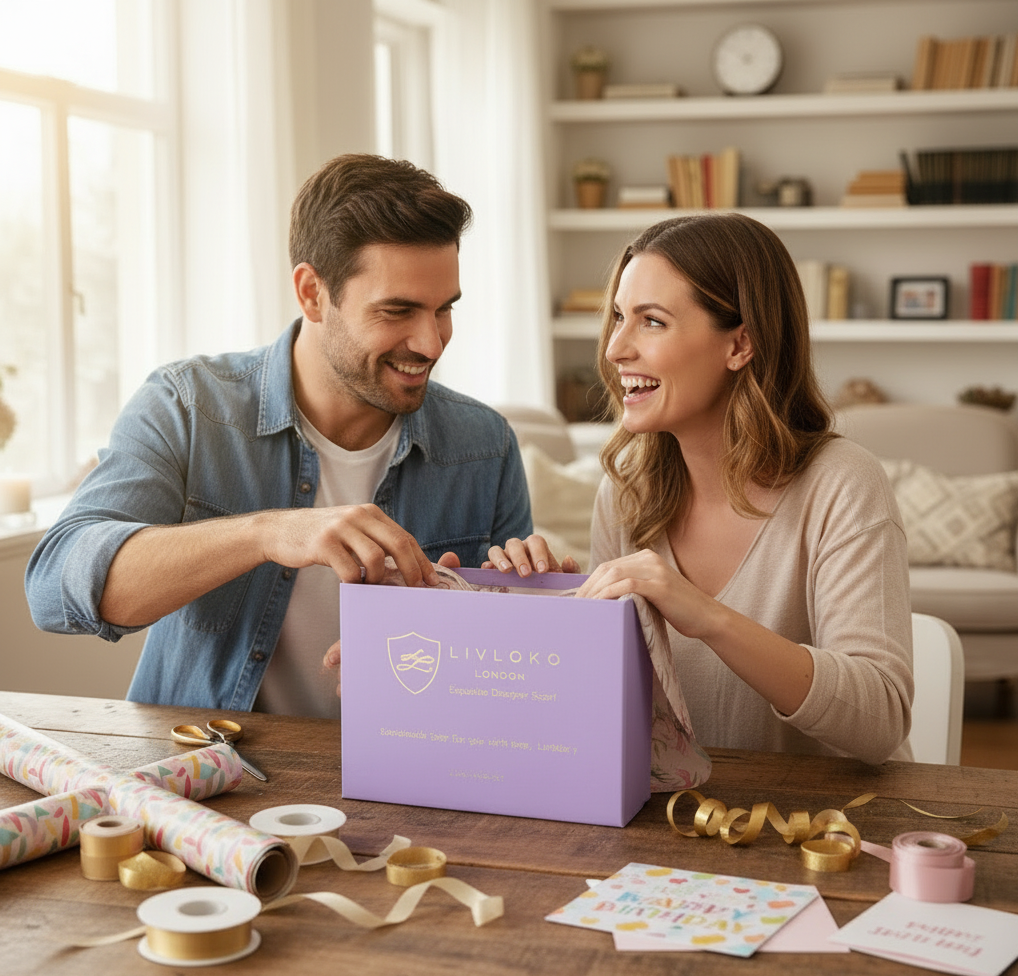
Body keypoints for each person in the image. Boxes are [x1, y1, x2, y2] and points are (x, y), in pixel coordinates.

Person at [25, 154, 532, 716]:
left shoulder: (485, 445)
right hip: (209, 763)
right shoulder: (188, 406)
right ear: (312, 292)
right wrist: (266, 533)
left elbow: (507, 685)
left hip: (403, 764)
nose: (431, 343)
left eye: (444, 310)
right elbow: (54, 585)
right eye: (397, 311)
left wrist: (545, 604)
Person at [491, 213, 913, 767]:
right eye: (618, 317)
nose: (615, 348)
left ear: (740, 344)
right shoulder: (626, 493)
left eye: (652, 321)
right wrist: (547, 619)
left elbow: (880, 719)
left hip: (826, 815)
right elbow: (612, 718)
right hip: (682, 811)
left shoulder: (842, 484)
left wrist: (708, 617)